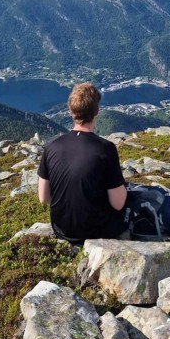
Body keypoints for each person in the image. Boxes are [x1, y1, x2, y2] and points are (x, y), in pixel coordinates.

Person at [37, 83, 128, 241]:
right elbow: (118, 204)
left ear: (71, 112)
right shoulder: (106, 149)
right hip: (98, 232)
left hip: (61, 228)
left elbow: (43, 198)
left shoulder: (51, 147)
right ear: (97, 111)